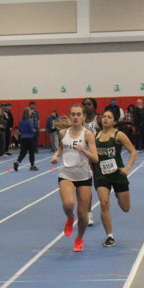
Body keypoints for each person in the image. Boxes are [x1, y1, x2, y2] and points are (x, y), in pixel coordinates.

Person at [51, 103, 99, 252]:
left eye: (79, 114)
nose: (76, 117)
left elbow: (95, 158)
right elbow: (62, 148)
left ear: (83, 116)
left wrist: (83, 151)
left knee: (83, 215)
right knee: (68, 204)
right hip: (66, 174)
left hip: (84, 176)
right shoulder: (63, 133)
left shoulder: (88, 134)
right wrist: (55, 155)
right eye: (73, 114)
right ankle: (70, 218)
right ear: (70, 116)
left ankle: (79, 239)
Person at [92, 110, 136, 248]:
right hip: (101, 174)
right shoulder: (95, 136)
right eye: (104, 117)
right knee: (104, 203)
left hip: (117, 174)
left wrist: (127, 168)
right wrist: (92, 171)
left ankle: (117, 193)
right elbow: (91, 156)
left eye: (109, 117)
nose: (105, 119)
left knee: (125, 208)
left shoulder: (119, 135)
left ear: (114, 121)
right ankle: (110, 236)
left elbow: (133, 152)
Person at [15, 107, 39, 171]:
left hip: (23, 137)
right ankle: (32, 165)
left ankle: (17, 162)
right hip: (30, 138)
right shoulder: (30, 120)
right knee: (31, 152)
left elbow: (20, 129)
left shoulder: (21, 121)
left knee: (23, 152)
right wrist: (34, 130)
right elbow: (31, 129)